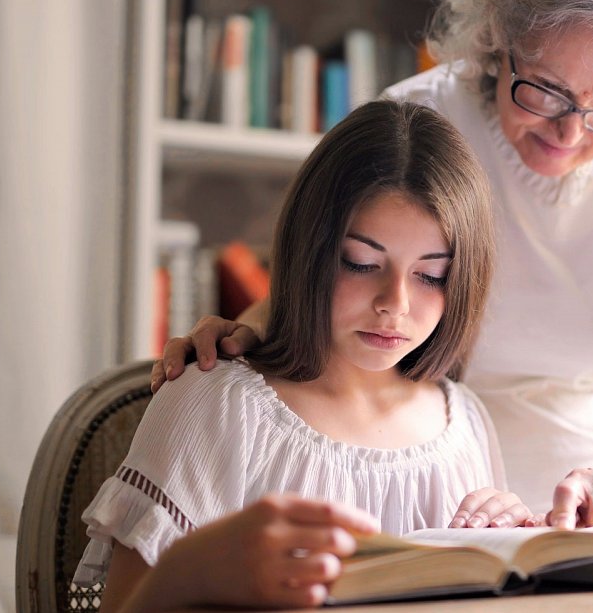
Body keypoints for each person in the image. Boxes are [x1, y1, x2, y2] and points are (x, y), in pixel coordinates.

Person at [158, 0, 593, 551]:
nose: (569, 131)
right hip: (452, 487)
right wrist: (240, 333)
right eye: (547, 90)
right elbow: (340, 274)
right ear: (500, 42)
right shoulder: (419, 123)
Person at [75, 100, 532, 611]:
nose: (395, 304)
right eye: (361, 263)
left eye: (431, 275)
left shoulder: (464, 423)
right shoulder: (217, 407)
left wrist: (512, 552)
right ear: (310, 251)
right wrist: (194, 565)